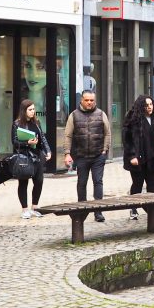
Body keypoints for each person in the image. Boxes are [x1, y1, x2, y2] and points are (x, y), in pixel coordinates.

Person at [62, 90, 111, 223]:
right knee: (81, 183)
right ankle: (82, 211)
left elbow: (107, 133)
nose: (89, 102)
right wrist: (67, 153)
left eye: (92, 100)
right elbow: (68, 135)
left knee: (98, 182)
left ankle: (98, 211)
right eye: (87, 100)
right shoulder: (74, 115)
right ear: (81, 101)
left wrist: (104, 150)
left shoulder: (101, 114)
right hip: (81, 156)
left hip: (98, 156)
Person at [122, 94, 154, 220]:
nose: (149, 107)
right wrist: (132, 156)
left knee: (152, 185)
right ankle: (133, 208)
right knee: (137, 184)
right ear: (141, 106)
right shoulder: (133, 119)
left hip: (153, 157)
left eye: (151, 104)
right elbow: (127, 139)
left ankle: (153, 210)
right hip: (138, 158)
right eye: (146, 105)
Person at [12, 99, 52, 220]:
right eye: (30, 110)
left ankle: (34, 207)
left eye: (33, 109)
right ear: (24, 111)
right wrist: (27, 143)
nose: (32, 112)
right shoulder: (17, 124)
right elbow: (14, 141)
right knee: (23, 181)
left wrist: (48, 150)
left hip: (37, 155)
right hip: (25, 156)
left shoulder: (36, 122)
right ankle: (25, 209)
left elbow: (42, 137)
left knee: (39, 181)